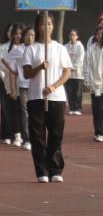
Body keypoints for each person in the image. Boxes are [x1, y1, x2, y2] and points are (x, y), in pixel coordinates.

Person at [23, 13, 73, 183]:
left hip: (56, 97)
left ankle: (55, 169)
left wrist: (53, 86)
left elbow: (67, 72)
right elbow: (27, 73)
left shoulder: (60, 48)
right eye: (44, 24)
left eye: (50, 24)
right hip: (36, 96)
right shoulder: (31, 49)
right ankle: (42, 171)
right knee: (37, 136)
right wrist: (39, 67)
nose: (47, 27)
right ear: (38, 27)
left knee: (55, 134)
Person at [84, 21, 103, 142]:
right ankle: (99, 132)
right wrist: (87, 81)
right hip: (95, 84)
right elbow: (86, 65)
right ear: (96, 35)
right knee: (98, 109)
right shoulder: (91, 49)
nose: (101, 36)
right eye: (99, 33)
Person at [2, 25, 25, 147]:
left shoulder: (27, 47)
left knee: (23, 111)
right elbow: (4, 62)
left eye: (20, 33)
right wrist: (12, 70)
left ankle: (24, 135)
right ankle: (14, 135)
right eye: (16, 33)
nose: (18, 36)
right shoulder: (7, 48)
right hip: (9, 83)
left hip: (24, 85)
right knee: (12, 110)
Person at [13, 27, 34, 151]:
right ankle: (27, 139)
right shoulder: (18, 49)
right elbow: (5, 60)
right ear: (24, 36)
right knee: (25, 112)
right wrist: (16, 72)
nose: (30, 37)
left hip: (36, 85)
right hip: (23, 86)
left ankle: (36, 137)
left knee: (37, 112)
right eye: (27, 35)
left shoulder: (38, 48)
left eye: (32, 35)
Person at [64, 30, 85, 116]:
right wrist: (67, 69)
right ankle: (72, 108)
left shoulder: (80, 47)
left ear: (77, 36)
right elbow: (64, 59)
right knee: (70, 92)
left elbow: (80, 60)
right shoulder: (65, 46)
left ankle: (78, 108)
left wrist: (71, 68)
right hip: (68, 75)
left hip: (78, 75)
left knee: (77, 92)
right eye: (71, 35)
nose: (72, 36)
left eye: (74, 35)